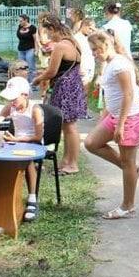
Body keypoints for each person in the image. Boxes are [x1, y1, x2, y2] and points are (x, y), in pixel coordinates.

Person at [84, 30, 139, 219]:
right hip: (116, 116)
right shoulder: (110, 63)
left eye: (95, 49)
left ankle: (128, 205)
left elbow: (128, 94)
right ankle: (132, 170)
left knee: (128, 161)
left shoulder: (119, 64)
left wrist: (120, 125)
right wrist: (104, 118)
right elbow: (112, 95)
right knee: (91, 143)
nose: (94, 54)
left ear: (106, 45)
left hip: (131, 118)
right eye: (92, 50)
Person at [33, 14, 88, 174]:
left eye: (47, 32)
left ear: (52, 29)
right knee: (68, 126)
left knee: (69, 127)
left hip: (64, 88)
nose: (47, 37)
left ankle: (72, 164)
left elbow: (51, 72)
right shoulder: (74, 42)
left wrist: (38, 79)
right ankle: (66, 161)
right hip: (74, 86)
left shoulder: (60, 46)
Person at [0, 76, 44, 222]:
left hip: (33, 143)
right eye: (10, 99)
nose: (12, 102)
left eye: (14, 99)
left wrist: (17, 140)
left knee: (27, 159)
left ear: (25, 95)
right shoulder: (10, 107)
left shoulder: (35, 109)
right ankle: (4, 195)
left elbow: (38, 136)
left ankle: (32, 198)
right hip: (15, 143)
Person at [73, 18, 97, 90]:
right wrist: (78, 67)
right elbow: (75, 55)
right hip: (82, 68)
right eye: (90, 28)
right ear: (84, 26)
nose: (91, 31)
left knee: (87, 91)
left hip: (89, 67)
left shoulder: (89, 37)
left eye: (93, 29)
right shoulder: (76, 38)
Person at [16, 14, 38, 83]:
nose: (20, 22)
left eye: (21, 21)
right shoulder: (20, 26)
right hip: (21, 50)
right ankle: (23, 83)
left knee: (31, 67)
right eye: (19, 21)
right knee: (21, 67)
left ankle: (32, 83)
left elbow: (35, 39)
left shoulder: (32, 28)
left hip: (30, 49)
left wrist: (36, 49)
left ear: (26, 20)